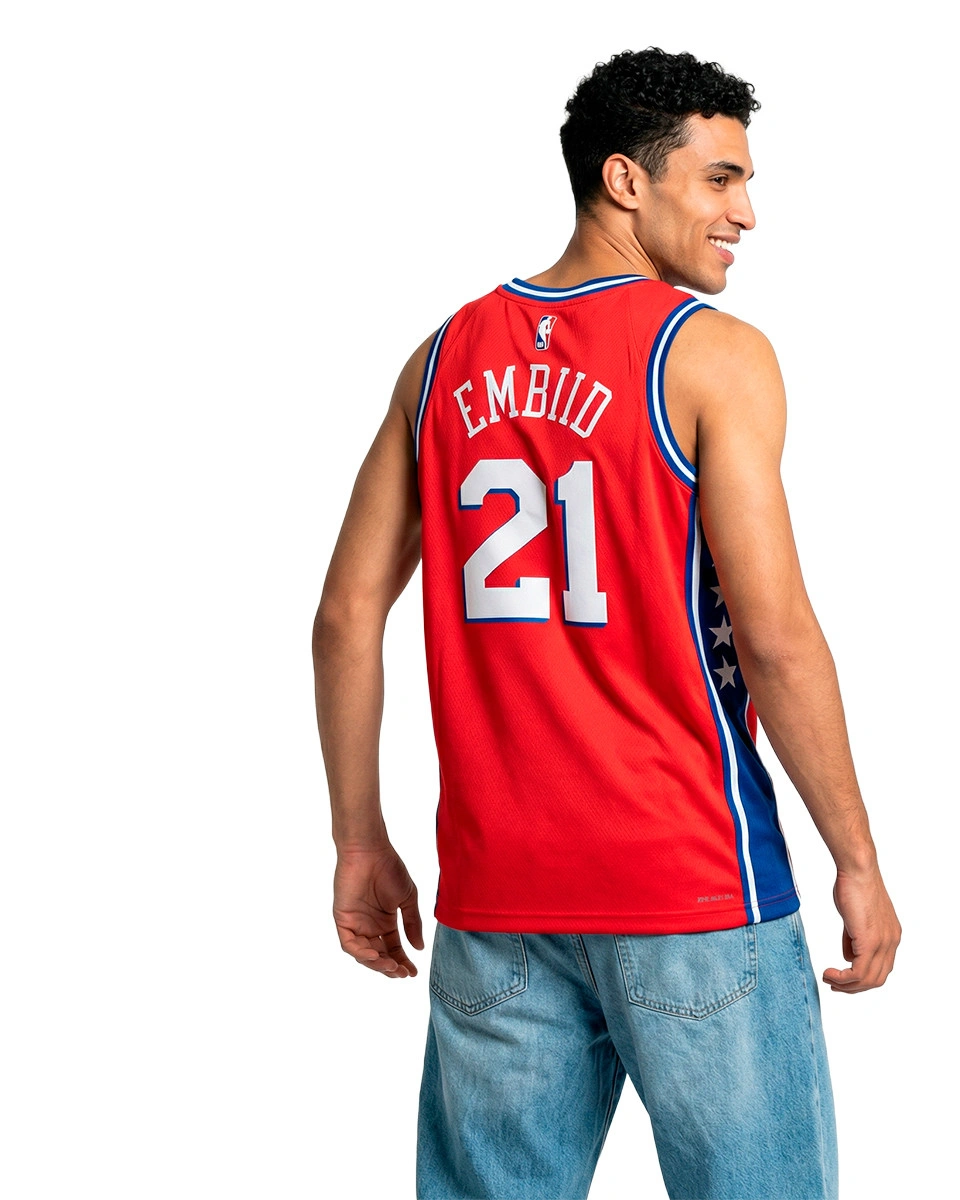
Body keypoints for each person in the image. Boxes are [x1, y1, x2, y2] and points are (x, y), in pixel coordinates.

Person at [313, 47, 900, 1200]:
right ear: (626, 179)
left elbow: (345, 614)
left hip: (497, 901)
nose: (747, 212)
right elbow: (776, 640)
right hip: (693, 888)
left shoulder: (442, 360)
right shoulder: (712, 356)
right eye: (721, 179)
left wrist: (357, 838)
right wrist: (858, 859)